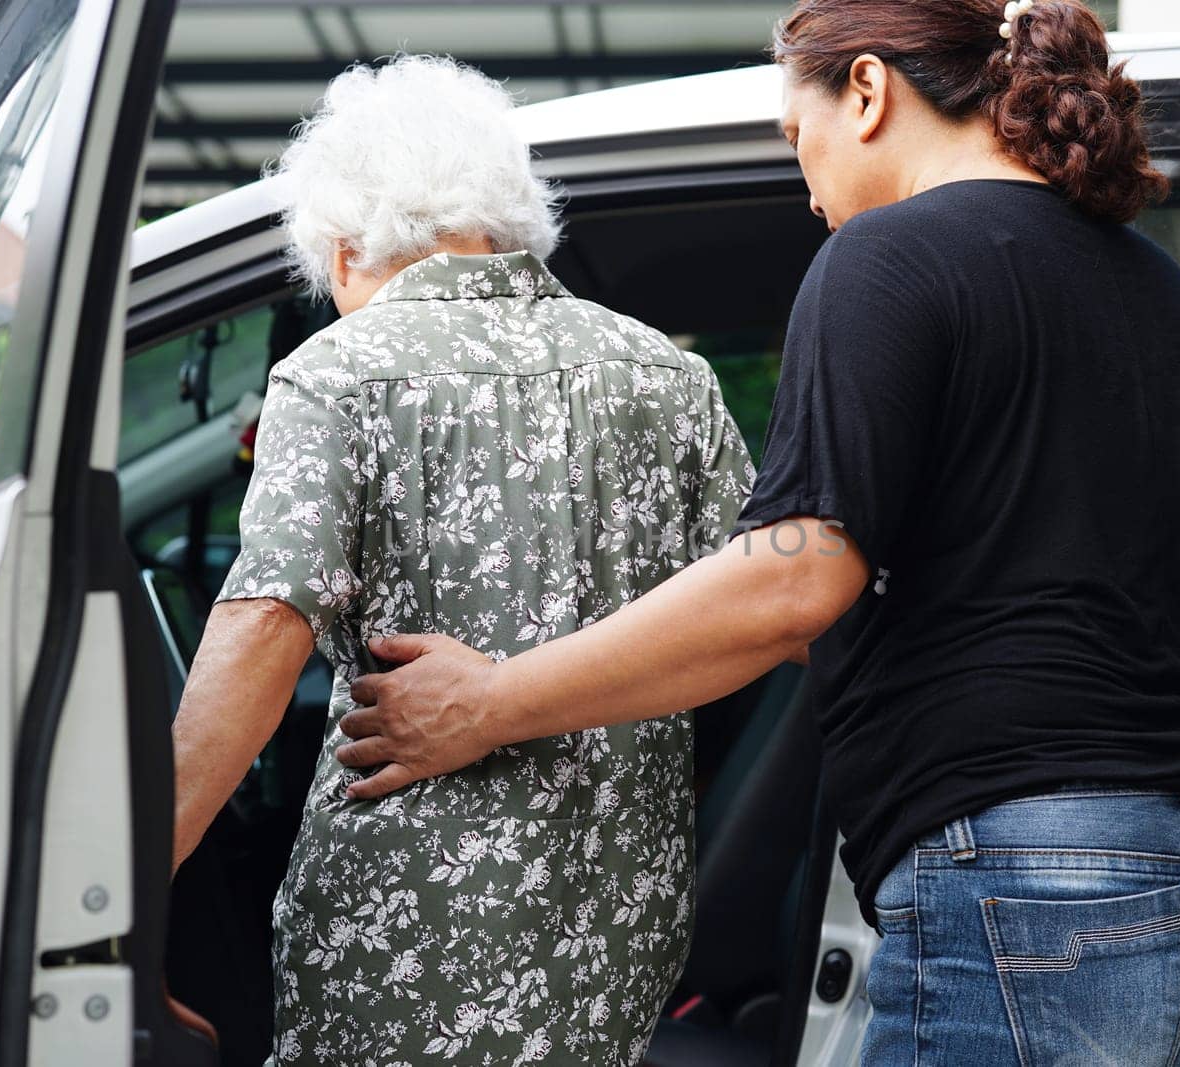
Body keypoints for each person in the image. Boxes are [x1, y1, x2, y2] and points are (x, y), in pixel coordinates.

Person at [332, 2, 1180, 1064]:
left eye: (799, 139)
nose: (806, 187)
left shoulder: (887, 256)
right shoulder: (1158, 285)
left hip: (1032, 896)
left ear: (870, 91)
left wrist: (487, 703)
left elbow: (792, 583)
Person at [167, 55, 755, 1066]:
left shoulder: (333, 376)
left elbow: (265, 622)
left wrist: (115, 892)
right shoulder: (669, 375)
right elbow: (760, 612)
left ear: (345, 245)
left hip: (405, 929)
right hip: (619, 916)